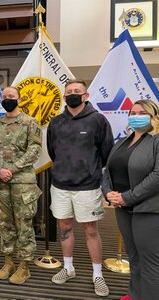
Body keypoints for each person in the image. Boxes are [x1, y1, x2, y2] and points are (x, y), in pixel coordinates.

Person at [47, 79, 114, 297]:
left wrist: (90, 170)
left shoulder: (98, 120)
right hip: (60, 185)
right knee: (64, 227)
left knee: (91, 230)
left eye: (77, 91)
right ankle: (68, 268)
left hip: (87, 186)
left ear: (86, 95)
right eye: (69, 92)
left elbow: (106, 153)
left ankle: (97, 274)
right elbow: (52, 152)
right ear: (64, 97)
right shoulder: (56, 123)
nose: (73, 94)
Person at [103, 99, 159, 300]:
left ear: (153, 116)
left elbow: (157, 176)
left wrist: (127, 197)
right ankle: (135, 294)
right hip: (122, 208)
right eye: (132, 113)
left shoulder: (156, 141)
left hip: (148, 209)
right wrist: (108, 192)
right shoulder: (123, 142)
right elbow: (108, 171)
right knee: (133, 256)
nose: (136, 117)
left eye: (141, 113)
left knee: (150, 260)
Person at [0, 86, 42, 285]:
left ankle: (24, 266)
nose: (7, 99)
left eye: (11, 96)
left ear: (19, 99)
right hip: (1, 182)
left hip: (23, 182)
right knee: (5, 224)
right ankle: (9, 261)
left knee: (24, 224)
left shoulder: (30, 122)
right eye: (4, 97)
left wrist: (12, 168)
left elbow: (35, 150)